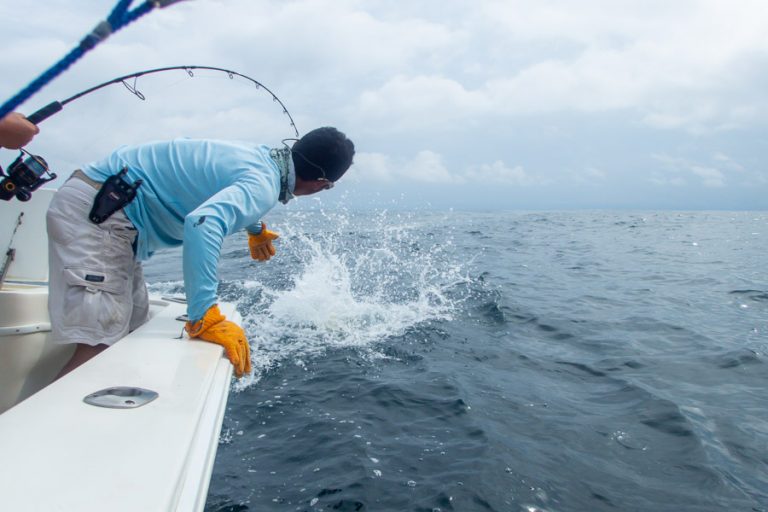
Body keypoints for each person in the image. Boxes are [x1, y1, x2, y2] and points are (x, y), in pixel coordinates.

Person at [47, 127, 355, 378]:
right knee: (99, 346)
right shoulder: (263, 183)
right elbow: (202, 223)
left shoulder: (260, 159)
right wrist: (203, 314)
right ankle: (43, 444)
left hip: (110, 207)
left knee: (130, 328)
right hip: (101, 212)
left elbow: (217, 187)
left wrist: (255, 228)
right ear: (320, 184)